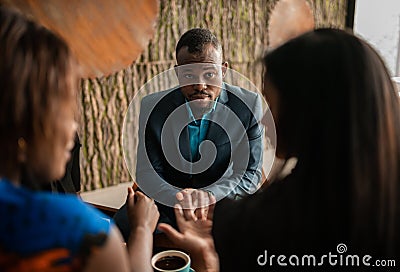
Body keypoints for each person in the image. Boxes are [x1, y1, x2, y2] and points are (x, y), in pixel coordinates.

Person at [158, 28, 400, 271]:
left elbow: (249, 175)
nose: (264, 120)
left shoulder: (264, 227)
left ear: (314, 113)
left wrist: (207, 263)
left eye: (273, 105)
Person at [0, 7, 159, 272]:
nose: (73, 129)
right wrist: (142, 229)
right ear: (24, 122)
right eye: (65, 109)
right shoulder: (78, 232)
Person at [114, 28, 264, 241]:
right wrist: (181, 199)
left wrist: (210, 196)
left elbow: (250, 173)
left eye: (209, 74)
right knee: (119, 228)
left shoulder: (248, 106)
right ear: (177, 73)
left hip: (221, 202)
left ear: (223, 71)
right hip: (168, 202)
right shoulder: (152, 107)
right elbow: (148, 172)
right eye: (189, 75)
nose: (200, 85)